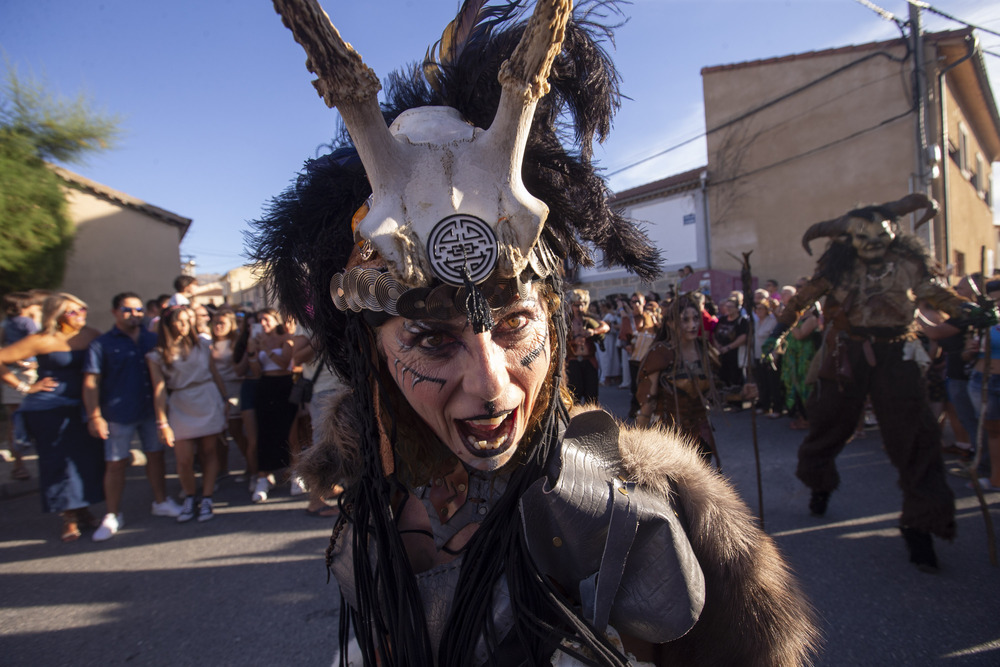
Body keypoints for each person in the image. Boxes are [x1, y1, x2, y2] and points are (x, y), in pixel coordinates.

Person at [255, 1, 818, 663]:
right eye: (435, 340)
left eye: (515, 322)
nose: (493, 384)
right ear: (369, 353)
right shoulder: (371, 493)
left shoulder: (617, 513)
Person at [779, 193, 988, 570]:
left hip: (897, 354)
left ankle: (922, 525)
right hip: (848, 353)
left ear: (895, 231)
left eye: (882, 232)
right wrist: (777, 331)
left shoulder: (907, 265)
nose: (873, 240)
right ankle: (818, 482)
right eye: (863, 234)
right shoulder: (837, 269)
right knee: (828, 424)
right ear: (848, 240)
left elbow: (935, 294)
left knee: (916, 436)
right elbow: (803, 299)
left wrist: (968, 310)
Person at [0, 293, 105, 541]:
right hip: (50, 408)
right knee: (59, 462)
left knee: (85, 460)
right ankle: (68, 517)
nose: (80, 315)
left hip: (84, 405)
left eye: (82, 310)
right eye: (73, 311)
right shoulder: (42, 339)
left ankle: (84, 508)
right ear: (57, 315)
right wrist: (25, 387)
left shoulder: (91, 334)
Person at [83, 292, 182, 541]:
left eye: (138, 310)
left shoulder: (152, 339)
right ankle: (113, 514)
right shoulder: (101, 344)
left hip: (150, 411)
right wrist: (95, 415)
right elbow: (91, 381)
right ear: (115, 312)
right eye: (128, 310)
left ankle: (160, 501)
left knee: (156, 456)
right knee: (116, 464)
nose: (134, 314)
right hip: (118, 414)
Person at [147, 306, 228, 523]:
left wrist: (224, 399)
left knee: (209, 452)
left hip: (207, 396)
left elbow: (214, 372)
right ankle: (190, 497)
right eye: (180, 321)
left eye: (187, 320)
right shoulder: (157, 355)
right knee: (183, 459)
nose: (185, 325)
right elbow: (159, 389)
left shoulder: (202, 345)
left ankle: (208, 497)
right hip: (181, 402)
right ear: (168, 324)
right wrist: (161, 421)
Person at [634, 294, 721, 463]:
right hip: (669, 436)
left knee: (698, 485)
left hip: (701, 434)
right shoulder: (661, 353)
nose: (692, 325)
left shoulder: (705, 350)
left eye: (696, 319)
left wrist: (744, 394)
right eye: (685, 320)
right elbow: (647, 402)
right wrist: (639, 442)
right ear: (671, 324)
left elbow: (718, 391)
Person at [244, 307, 295, 502]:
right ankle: (263, 476)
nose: (263, 324)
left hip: (285, 385)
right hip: (265, 386)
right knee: (264, 432)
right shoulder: (257, 342)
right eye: (259, 320)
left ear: (275, 320)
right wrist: (251, 352)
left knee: (290, 431)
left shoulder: (286, 338)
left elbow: (284, 363)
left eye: (266, 319)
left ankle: (293, 472)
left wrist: (265, 349)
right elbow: (256, 371)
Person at [2, 291, 41, 481]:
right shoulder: (28, 323)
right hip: (27, 373)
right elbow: (38, 342)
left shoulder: (4, 324)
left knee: (14, 421)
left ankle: (19, 465)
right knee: (38, 418)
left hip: (12, 374)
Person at [209, 307, 250, 480]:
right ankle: (221, 468)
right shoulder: (206, 343)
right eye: (215, 323)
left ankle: (250, 465)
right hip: (212, 390)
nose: (218, 326)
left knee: (236, 430)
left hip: (234, 388)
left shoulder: (236, 343)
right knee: (218, 433)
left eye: (222, 323)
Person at [566, 289, 609, 405]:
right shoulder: (567, 321)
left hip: (589, 361)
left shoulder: (590, 318)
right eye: (577, 305)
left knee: (592, 397)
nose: (580, 308)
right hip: (573, 362)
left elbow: (605, 327)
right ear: (572, 305)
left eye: (583, 305)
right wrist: (574, 341)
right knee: (574, 397)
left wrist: (593, 331)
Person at [618, 292, 657, 420]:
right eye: (633, 302)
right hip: (634, 358)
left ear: (644, 302)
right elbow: (623, 338)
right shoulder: (627, 319)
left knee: (651, 385)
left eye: (638, 301)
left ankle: (650, 410)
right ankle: (636, 408)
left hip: (649, 358)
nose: (636, 304)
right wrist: (627, 346)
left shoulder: (651, 316)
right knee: (636, 386)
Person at [712, 298, 748, 407]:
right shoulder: (722, 319)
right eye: (727, 306)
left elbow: (743, 337)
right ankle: (726, 400)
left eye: (731, 307)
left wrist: (728, 347)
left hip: (735, 354)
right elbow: (714, 334)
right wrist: (718, 346)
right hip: (722, 354)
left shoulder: (742, 321)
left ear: (737, 309)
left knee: (736, 378)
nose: (728, 309)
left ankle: (736, 402)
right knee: (724, 377)